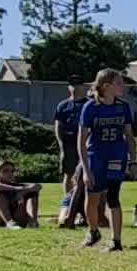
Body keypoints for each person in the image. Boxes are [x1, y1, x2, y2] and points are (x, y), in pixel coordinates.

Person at [77, 68, 137, 251]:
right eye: (118, 83)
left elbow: (130, 137)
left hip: (116, 156)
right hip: (96, 157)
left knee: (113, 197)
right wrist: (85, 170)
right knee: (92, 198)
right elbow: (81, 141)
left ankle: (116, 241)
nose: (122, 86)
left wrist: (133, 161)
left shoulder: (123, 107)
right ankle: (93, 231)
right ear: (105, 86)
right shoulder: (90, 107)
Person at [52, 75, 87, 226]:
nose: (75, 87)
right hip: (69, 144)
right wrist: (61, 145)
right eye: (72, 85)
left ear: (83, 87)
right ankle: (68, 205)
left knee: (84, 175)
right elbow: (58, 126)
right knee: (69, 174)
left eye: (78, 85)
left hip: (85, 144)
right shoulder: (63, 105)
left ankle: (83, 207)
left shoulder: (89, 104)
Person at [0, 161, 42, 229]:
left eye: (12, 171)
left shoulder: (15, 184)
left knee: (32, 193)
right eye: (5, 171)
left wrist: (23, 192)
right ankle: (9, 222)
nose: (10, 174)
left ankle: (33, 222)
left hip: (15, 216)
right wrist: (17, 189)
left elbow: (37, 186)